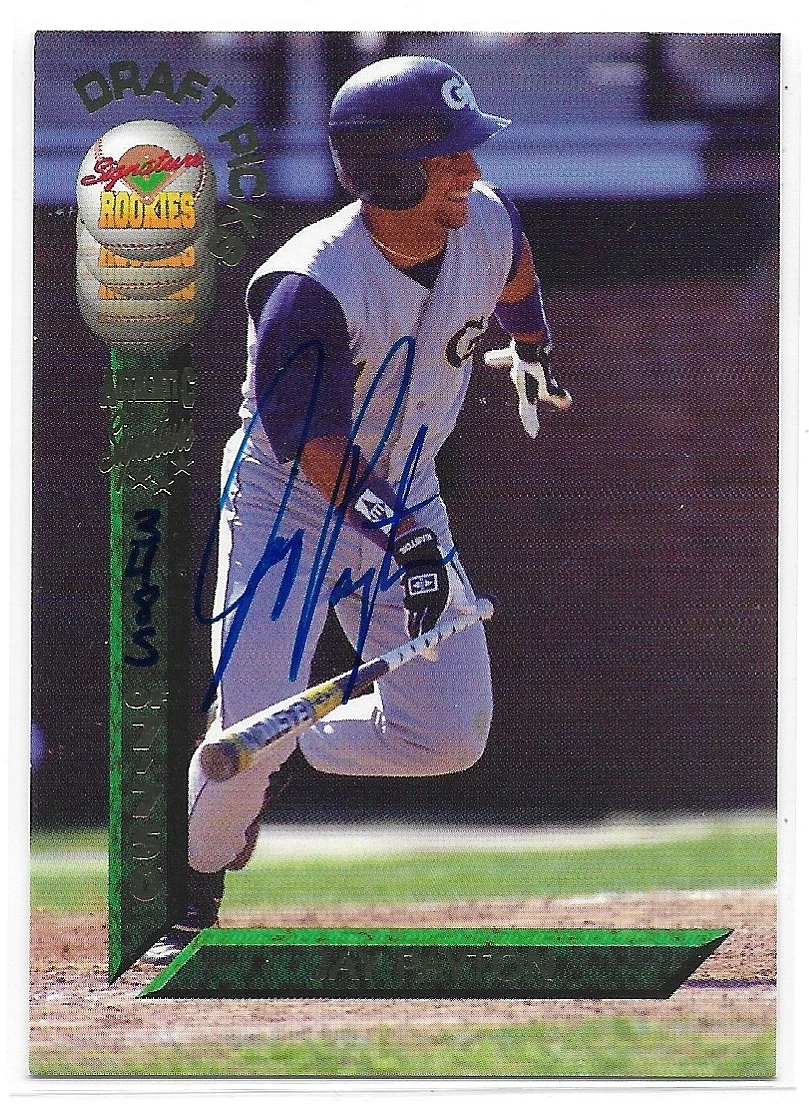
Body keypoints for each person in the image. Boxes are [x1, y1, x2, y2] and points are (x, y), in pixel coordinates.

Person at [144, 55, 571, 965]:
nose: (470, 170)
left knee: (448, 737)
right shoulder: (307, 286)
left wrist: (532, 343)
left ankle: (276, 753)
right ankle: (187, 893)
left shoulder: (486, 219)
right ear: (389, 168)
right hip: (285, 511)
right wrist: (410, 541)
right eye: (448, 154)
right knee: (243, 740)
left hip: (406, 495)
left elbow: (514, 269)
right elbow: (315, 447)